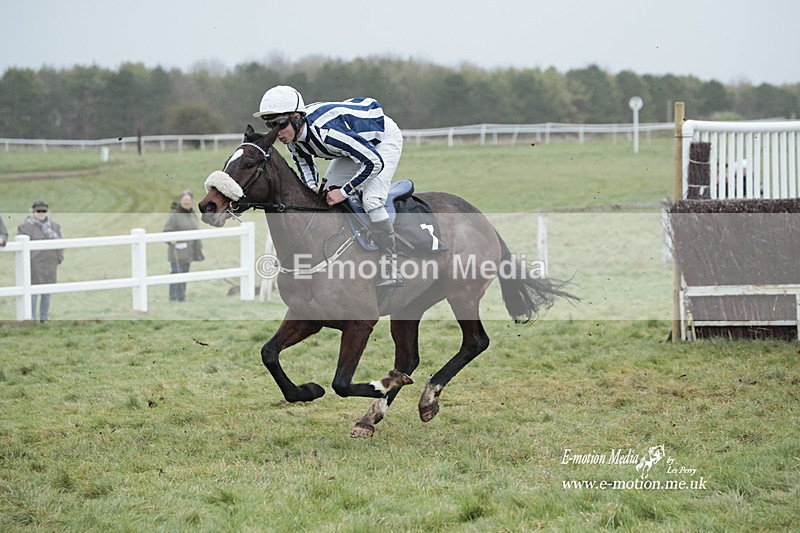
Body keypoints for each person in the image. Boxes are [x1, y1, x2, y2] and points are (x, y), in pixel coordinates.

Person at [253, 85, 404, 287]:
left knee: (371, 200)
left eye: (279, 124)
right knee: (324, 195)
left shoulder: (327, 134)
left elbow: (374, 162)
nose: (276, 132)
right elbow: (304, 164)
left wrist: (344, 192)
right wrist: (312, 187)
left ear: (297, 117)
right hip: (353, 141)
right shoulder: (292, 137)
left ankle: (391, 265)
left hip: (380, 139)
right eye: (270, 125)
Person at [17, 200, 63, 322]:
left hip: (50, 264)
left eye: (44, 211)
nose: (41, 213)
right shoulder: (25, 227)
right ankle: (31, 319)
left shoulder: (55, 227)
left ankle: (44, 319)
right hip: (33, 265)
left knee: (47, 293)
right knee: (32, 293)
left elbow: (60, 244)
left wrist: (59, 258)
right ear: (33, 211)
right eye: (38, 211)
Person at [163, 190, 203, 302]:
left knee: (185, 274)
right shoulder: (175, 215)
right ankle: (173, 297)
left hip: (189, 251)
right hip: (177, 251)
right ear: (180, 201)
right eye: (185, 200)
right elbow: (167, 230)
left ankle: (181, 297)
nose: (187, 202)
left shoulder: (192, 213)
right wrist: (171, 239)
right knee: (176, 273)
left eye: (189, 200)